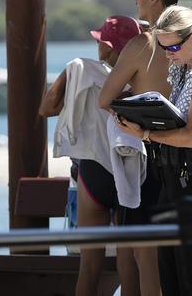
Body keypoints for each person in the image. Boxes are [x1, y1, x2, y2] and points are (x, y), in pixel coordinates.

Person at [116, 5, 192, 296]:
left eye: (174, 47)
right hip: (172, 175)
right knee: (169, 272)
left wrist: (145, 133)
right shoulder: (182, 65)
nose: (169, 54)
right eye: (164, 48)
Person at [39, 15, 143, 296]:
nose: (97, 48)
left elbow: (46, 109)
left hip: (93, 172)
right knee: (128, 263)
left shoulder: (81, 72)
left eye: (100, 42)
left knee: (89, 266)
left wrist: (69, 76)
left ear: (109, 47)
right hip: (127, 171)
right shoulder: (141, 76)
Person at [98, 0, 181, 296]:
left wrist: (133, 103)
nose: (136, 1)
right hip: (185, 153)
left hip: (148, 154)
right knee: (173, 257)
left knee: (144, 254)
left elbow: (106, 99)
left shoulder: (142, 44)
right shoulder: (190, 42)